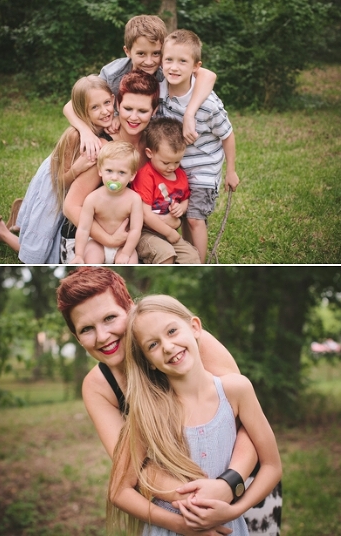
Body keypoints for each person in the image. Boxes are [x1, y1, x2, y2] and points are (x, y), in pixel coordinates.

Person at [56, 267, 283, 534]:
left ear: (130, 307)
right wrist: (192, 505)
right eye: (87, 329)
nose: (103, 336)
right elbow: (136, 466)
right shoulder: (98, 387)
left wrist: (227, 484)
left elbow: (242, 420)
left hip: (243, 480)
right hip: (179, 504)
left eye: (109, 318)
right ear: (77, 338)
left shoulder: (185, 342)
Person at [107, 295, 282, 536]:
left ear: (195, 327)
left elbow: (272, 465)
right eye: (153, 345)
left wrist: (234, 511)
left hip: (228, 526)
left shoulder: (236, 390)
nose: (168, 346)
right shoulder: (149, 411)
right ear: (150, 363)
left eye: (171, 331)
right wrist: (181, 525)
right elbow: (119, 490)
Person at [0, 76, 126, 263]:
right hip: (55, 188)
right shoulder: (74, 136)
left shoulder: (109, 124)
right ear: (82, 111)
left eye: (106, 103)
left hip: (69, 189)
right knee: (43, 254)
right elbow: (60, 181)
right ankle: (0, 232)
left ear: (113, 99)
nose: (104, 111)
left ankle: (21, 213)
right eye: (94, 107)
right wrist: (77, 168)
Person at [63, 15, 218, 161]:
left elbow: (208, 75)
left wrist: (189, 114)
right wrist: (86, 132)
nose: (149, 61)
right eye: (141, 54)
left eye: (156, 53)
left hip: (146, 135)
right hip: (112, 134)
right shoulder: (114, 73)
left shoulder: (168, 70)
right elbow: (71, 106)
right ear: (128, 51)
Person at [60, 69, 159, 263]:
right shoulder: (103, 148)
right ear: (118, 105)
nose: (134, 117)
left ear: (154, 111)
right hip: (86, 238)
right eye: (128, 109)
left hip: (124, 239)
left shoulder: (151, 146)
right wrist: (109, 240)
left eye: (143, 111)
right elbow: (71, 206)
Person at [158, 29, 239, 263]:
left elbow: (228, 135)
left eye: (183, 61)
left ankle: (199, 262)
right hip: (178, 166)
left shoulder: (208, 104)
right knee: (182, 217)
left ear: (196, 66)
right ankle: (188, 255)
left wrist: (231, 171)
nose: (174, 67)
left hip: (204, 166)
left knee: (195, 219)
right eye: (169, 60)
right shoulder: (162, 89)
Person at [131, 117, 200, 263]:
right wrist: (168, 232)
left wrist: (181, 207)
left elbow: (185, 198)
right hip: (144, 232)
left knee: (192, 256)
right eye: (166, 162)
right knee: (166, 254)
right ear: (150, 153)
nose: (172, 167)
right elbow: (145, 214)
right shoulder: (146, 175)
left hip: (169, 231)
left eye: (177, 161)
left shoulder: (180, 175)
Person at [71, 141, 144, 264]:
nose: (114, 177)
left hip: (123, 246)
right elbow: (83, 229)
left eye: (121, 172)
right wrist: (79, 254)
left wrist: (126, 253)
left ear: (132, 175)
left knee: (131, 260)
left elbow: (135, 230)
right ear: (100, 171)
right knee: (91, 259)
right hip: (97, 244)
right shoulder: (92, 199)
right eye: (109, 171)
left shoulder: (134, 199)